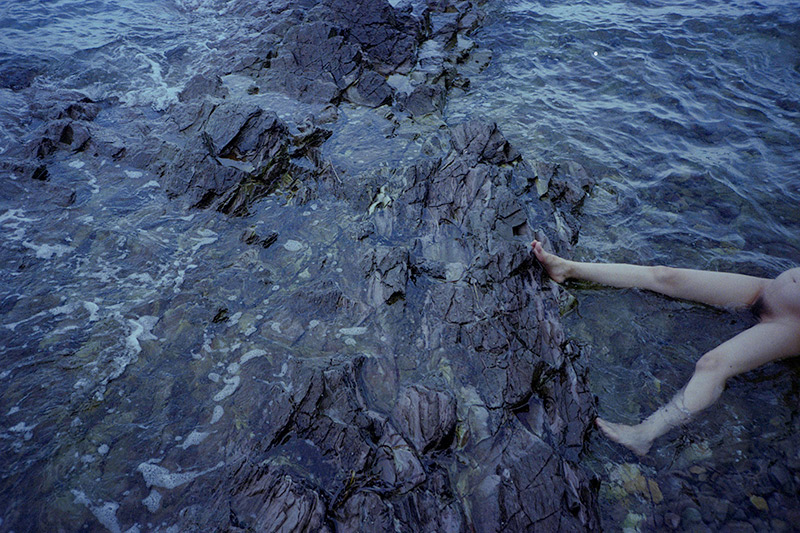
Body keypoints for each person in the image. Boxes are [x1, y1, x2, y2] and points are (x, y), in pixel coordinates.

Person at [531, 240, 800, 456]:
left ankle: (645, 434)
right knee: (664, 275)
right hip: (766, 290)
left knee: (712, 365)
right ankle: (567, 268)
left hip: (790, 324)